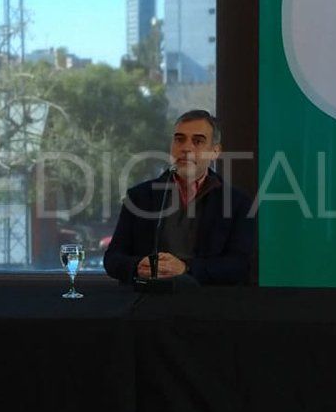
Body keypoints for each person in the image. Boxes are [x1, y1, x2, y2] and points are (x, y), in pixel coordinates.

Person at [104, 109, 253, 285]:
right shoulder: (140, 197)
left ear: (215, 152)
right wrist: (136, 266)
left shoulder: (237, 202)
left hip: (208, 305)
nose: (186, 148)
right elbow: (113, 258)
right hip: (146, 303)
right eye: (179, 139)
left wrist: (185, 267)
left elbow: (241, 265)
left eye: (197, 141)